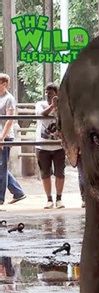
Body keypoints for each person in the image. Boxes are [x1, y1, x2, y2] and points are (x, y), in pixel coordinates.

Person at [35, 83, 65, 209]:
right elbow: (41, 114)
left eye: (51, 93)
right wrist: (53, 105)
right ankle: (49, 199)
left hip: (58, 146)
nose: (48, 95)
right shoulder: (40, 104)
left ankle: (59, 198)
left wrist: (58, 106)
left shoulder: (62, 106)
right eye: (46, 92)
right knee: (45, 173)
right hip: (42, 146)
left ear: (56, 94)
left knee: (60, 173)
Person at [0, 73, 26, 208]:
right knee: (1, 167)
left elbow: (10, 120)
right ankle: (18, 192)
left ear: (4, 84)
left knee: (2, 166)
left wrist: (2, 137)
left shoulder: (9, 99)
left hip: (5, 136)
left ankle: (0, 198)